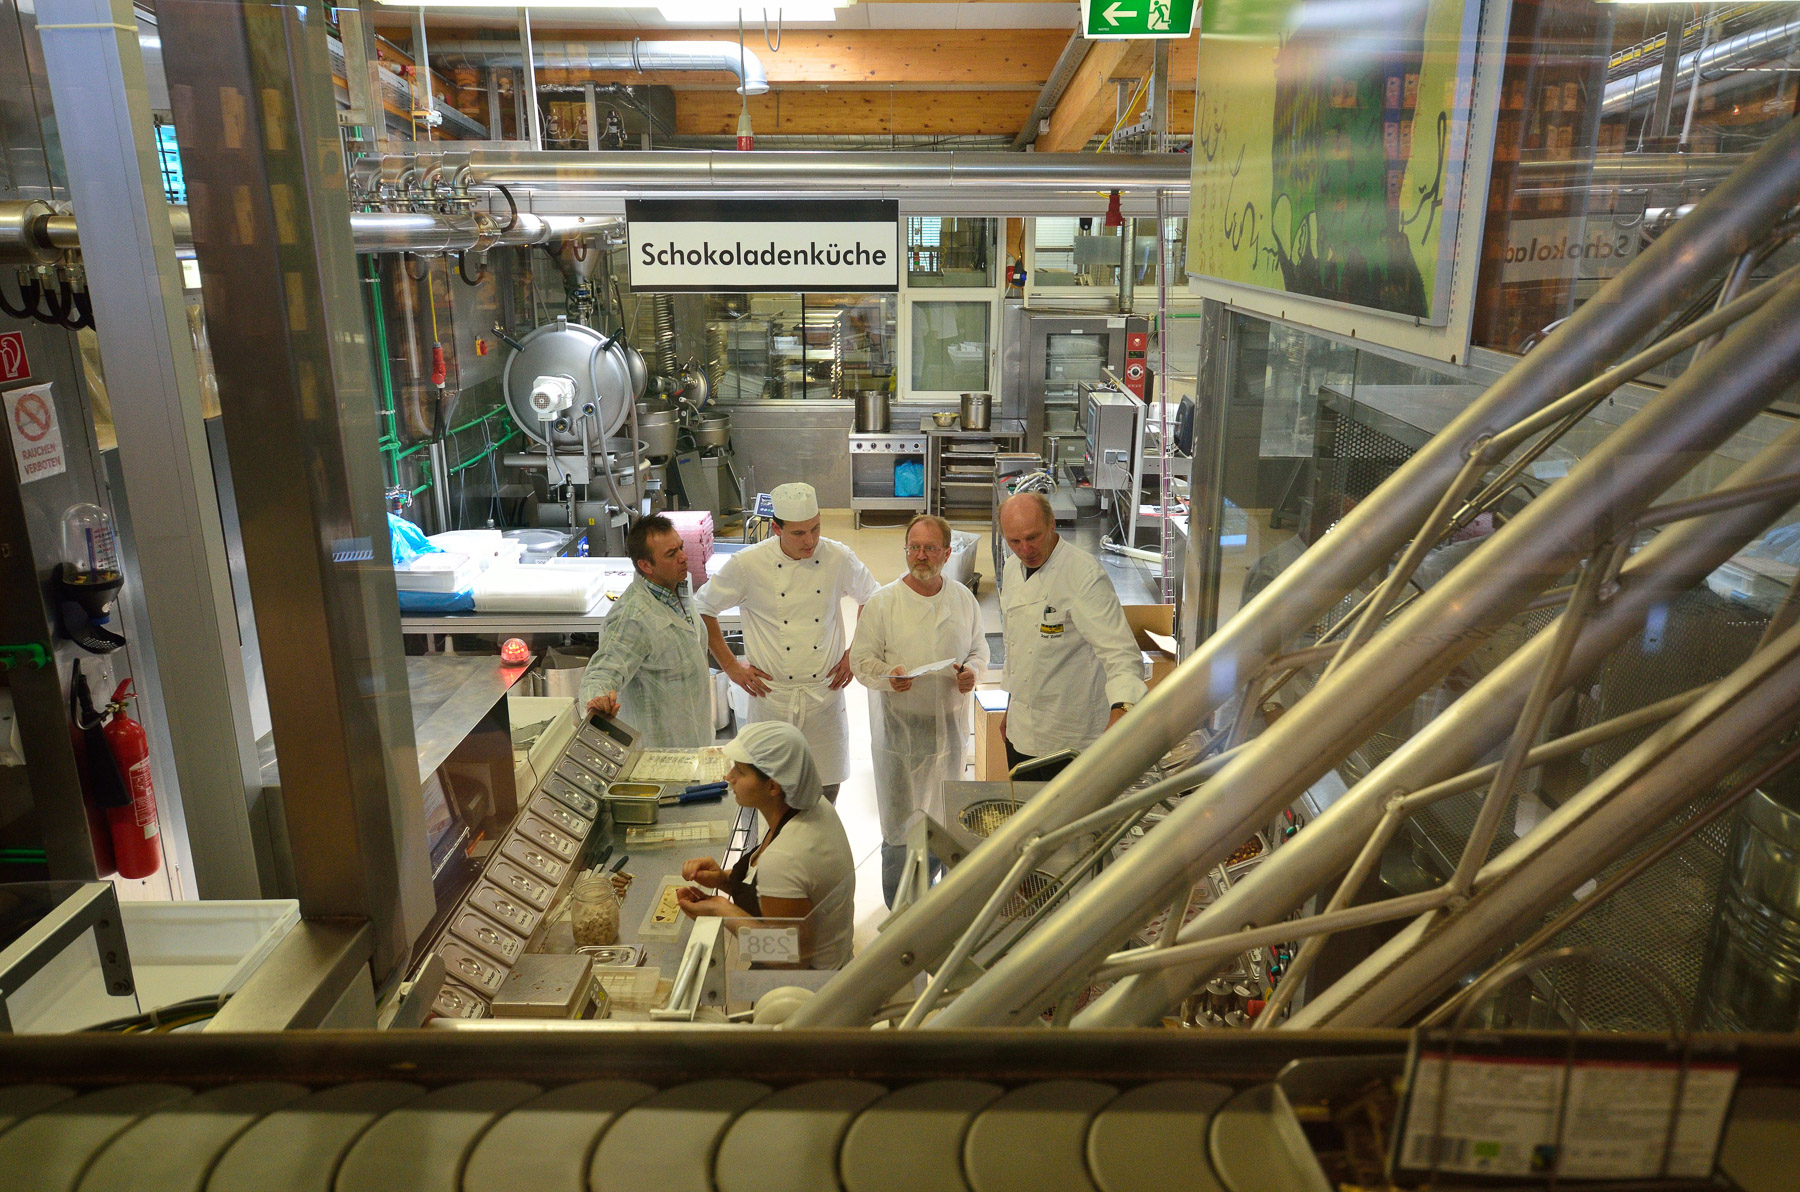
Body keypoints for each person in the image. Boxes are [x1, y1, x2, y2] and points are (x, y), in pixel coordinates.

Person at [694, 482, 877, 803]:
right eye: (799, 533)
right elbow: (703, 606)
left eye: (815, 529)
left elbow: (872, 597)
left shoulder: (837, 557)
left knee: (826, 791)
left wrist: (854, 653)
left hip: (824, 696)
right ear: (776, 529)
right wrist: (731, 666)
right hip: (773, 698)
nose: (810, 541)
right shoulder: (748, 564)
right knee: (771, 793)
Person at [850, 514, 987, 907]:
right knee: (901, 826)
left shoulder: (962, 599)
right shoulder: (884, 602)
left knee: (944, 820)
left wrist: (972, 672)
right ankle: (901, 914)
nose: (921, 556)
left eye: (930, 548)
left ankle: (938, 910)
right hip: (899, 735)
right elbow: (861, 660)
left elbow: (979, 649)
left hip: (949, 732)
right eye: (914, 547)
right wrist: (887, 676)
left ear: (946, 553)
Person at [676, 721, 856, 969]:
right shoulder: (812, 807)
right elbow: (788, 887)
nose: (729, 777)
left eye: (740, 771)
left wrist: (721, 911)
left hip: (814, 983)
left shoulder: (785, 856)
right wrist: (723, 880)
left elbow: (789, 959)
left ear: (773, 786)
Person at [997, 491, 1147, 780]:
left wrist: (1121, 711)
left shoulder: (1084, 576)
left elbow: (1122, 655)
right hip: (1021, 732)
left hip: (1070, 740)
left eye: (1033, 537)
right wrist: (1010, 710)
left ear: (1052, 523)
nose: (1025, 549)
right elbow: (1015, 647)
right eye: (1014, 541)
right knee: (1025, 808)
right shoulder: (1012, 568)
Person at [577, 514, 714, 747]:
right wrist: (597, 700)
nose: (683, 557)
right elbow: (601, 672)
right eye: (671, 554)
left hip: (694, 740)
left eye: (681, 547)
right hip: (659, 752)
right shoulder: (633, 616)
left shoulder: (677, 587)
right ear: (645, 565)